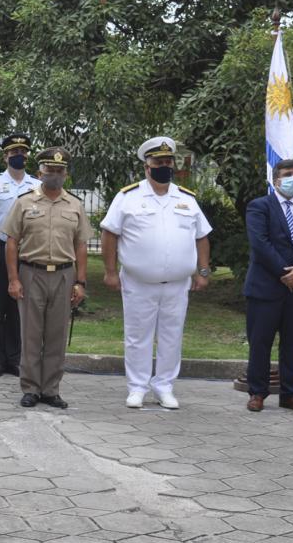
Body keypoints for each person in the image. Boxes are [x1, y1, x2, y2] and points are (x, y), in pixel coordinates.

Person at [100, 137, 212, 410]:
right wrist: (110, 271)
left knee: (172, 335)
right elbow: (109, 233)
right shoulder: (128, 197)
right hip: (139, 282)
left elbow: (202, 236)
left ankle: (164, 387)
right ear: (146, 167)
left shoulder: (186, 198)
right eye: (158, 162)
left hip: (177, 283)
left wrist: (203, 271)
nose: (164, 166)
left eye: (168, 162)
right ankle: (137, 387)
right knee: (138, 336)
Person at [4, 148, 91, 410]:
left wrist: (81, 282)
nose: (54, 175)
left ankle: (51, 390)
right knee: (30, 334)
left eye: (59, 171)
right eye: (49, 170)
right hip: (31, 273)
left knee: (57, 334)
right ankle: (30, 388)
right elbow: (11, 242)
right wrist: (13, 279)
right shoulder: (24, 202)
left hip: (64, 275)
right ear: (40, 172)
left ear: (66, 173)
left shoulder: (75, 205)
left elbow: (81, 245)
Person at [243, 158, 293, 413]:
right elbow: (260, 244)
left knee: (292, 344)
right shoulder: (259, 206)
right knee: (260, 342)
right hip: (265, 289)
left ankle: (290, 394)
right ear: (275, 179)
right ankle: (257, 392)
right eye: (288, 173)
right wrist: (284, 272)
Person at [0, 134, 41, 377]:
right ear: (5, 156)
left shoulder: (36, 185)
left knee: (18, 307)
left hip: (26, 250)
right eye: (13, 152)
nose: (19, 156)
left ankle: (15, 358)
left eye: (23, 152)